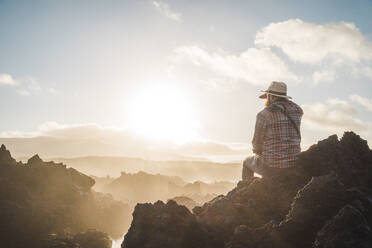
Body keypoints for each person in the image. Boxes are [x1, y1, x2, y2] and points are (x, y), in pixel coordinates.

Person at [242, 81, 303, 180]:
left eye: (267, 97)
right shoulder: (298, 111)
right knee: (266, 156)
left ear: (271, 96)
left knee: (246, 162)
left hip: (272, 167)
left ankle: (249, 190)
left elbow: (257, 143)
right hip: (294, 163)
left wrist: (258, 151)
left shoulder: (264, 114)